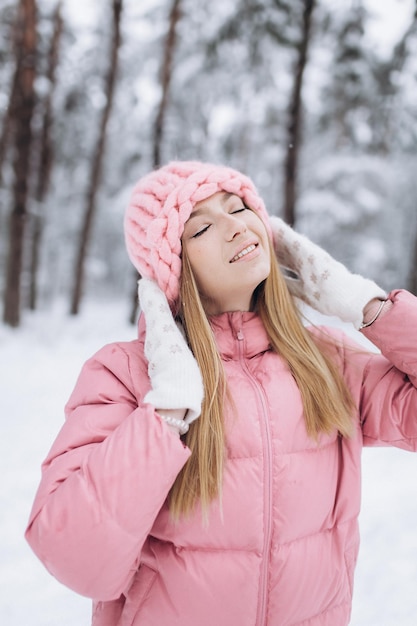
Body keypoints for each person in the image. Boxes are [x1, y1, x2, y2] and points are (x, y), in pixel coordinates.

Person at [25, 161, 417, 626]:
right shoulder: (124, 375)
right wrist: (168, 407)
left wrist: (366, 305)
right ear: (173, 271)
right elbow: (74, 555)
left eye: (241, 207)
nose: (236, 226)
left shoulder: (326, 361)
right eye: (203, 227)